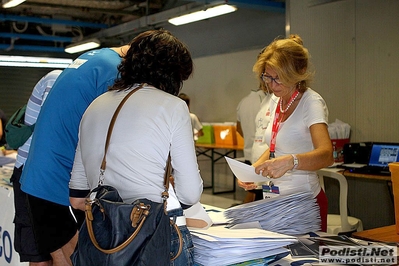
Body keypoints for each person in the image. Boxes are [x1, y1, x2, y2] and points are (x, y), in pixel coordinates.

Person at [69, 29, 203, 265]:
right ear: (174, 73)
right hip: (152, 235)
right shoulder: (173, 106)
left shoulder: (95, 105)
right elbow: (190, 193)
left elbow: (77, 196)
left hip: (99, 235)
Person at [19, 43, 130, 265]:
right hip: (59, 183)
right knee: (76, 258)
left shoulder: (94, 58)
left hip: (39, 176)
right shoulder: (115, 71)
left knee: (58, 254)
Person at [238, 34, 334, 232]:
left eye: (278, 79)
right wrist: (253, 171)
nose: (272, 85)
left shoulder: (311, 103)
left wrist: (292, 161)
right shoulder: (277, 99)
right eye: (268, 77)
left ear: (298, 74)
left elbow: (326, 154)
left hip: (303, 202)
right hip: (275, 200)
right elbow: (275, 146)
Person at [10, 69, 62, 266]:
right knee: (41, 255)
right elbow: (52, 128)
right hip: (33, 171)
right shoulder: (56, 79)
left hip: (46, 172)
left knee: (53, 250)